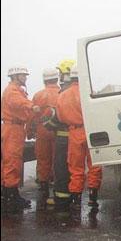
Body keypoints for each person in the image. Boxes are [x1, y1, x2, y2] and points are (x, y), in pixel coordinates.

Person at [56, 65, 102, 211]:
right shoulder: (89, 93)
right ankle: (93, 199)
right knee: (94, 165)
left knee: (75, 167)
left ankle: (76, 199)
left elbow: (60, 117)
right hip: (90, 131)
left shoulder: (62, 95)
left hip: (74, 133)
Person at [1, 65, 40, 213]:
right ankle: (12, 196)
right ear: (15, 77)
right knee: (13, 160)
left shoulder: (16, 90)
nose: (25, 78)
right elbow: (17, 102)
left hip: (15, 128)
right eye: (23, 75)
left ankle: (8, 192)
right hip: (13, 128)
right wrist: (32, 106)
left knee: (12, 160)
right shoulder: (13, 91)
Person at [42, 59, 76, 211]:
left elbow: (58, 117)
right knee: (75, 167)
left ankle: (61, 199)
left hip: (63, 136)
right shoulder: (81, 90)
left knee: (61, 167)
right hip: (77, 134)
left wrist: (47, 124)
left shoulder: (64, 92)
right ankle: (75, 195)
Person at [30, 68, 60, 208]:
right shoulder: (62, 93)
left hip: (42, 130)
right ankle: (58, 184)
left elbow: (32, 116)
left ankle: (43, 186)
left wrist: (30, 131)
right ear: (57, 79)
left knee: (43, 158)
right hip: (58, 131)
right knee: (58, 158)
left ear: (44, 80)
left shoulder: (38, 95)